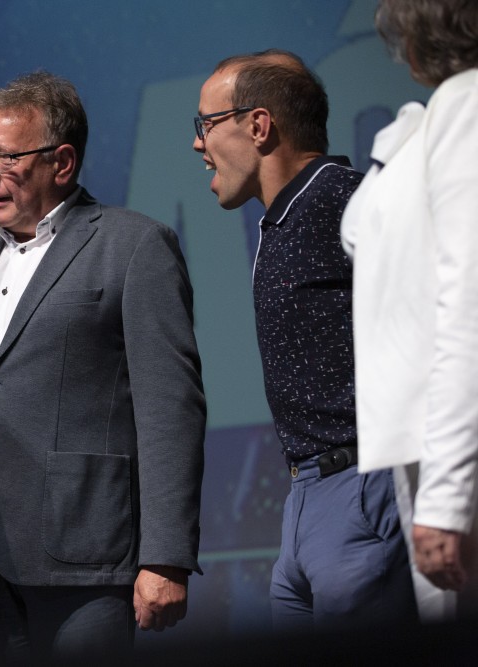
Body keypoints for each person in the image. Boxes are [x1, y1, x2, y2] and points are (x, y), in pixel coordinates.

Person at [0, 71, 206, 665]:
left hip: (86, 560)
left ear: (61, 162)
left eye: (6, 158)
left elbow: (171, 409)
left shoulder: (133, 246)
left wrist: (165, 556)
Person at [192, 49, 416, 630]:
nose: (197, 143)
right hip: (304, 500)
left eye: (206, 124)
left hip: (361, 491)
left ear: (258, 126)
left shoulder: (347, 200)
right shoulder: (286, 215)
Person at [340, 0, 478, 623]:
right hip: (433, 450)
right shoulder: (439, 114)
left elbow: (466, 307)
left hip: (455, 454)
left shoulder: (466, 103)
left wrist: (447, 499)